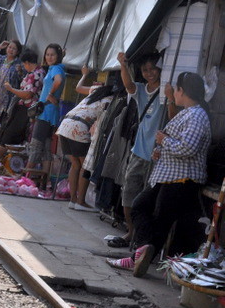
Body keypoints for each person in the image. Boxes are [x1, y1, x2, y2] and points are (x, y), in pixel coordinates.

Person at [108, 72, 210, 277]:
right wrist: (160, 150)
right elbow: (179, 145)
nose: (174, 93)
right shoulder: (187, 112)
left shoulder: (197, 116)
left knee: (159, 221)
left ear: (182, 91)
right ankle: (142, 251)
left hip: (180, 180)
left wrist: (164, 141)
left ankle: (138, 258)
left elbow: (188, 148)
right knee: (140, 206)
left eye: (176, 90)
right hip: (167, 177)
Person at [103, 52, 173, 248]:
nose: (149, 73)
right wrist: (123, 65)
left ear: (160, 70)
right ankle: (131, 232)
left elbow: (172, 114)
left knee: (147, 200)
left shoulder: (167, 91)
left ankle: (142, 239)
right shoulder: (141, 90)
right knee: (129, 194)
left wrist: (170, 97)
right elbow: (128, 85)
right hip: (139, 152)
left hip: (158, 156)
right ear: (141, 73)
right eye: (145, 70)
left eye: (153, 69)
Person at [56, 67, 115, 211]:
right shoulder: (111, 100)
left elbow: (78, 87)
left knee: (75, 165)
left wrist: (84, 75)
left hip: (65, 124)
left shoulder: (94, 92)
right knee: (85, 167)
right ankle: (81, 202)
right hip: (79, 128)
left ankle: (73, 200)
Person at [0, 48, 44, 162]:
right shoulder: (37, 72)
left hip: (26, 109)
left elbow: (27, 95)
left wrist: (11, 89)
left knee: (9, 135)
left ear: (27, 63)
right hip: (23, 109)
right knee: (10, 135)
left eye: (24, 65)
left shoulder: (35, 75)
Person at [26, 43, 66, 173]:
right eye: (47, 54)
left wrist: (50, 94)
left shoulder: (56, 69)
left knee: (36, 144)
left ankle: (26, 176)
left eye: (52, 55)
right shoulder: (56, 68)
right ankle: (44, 181)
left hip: (46, 113)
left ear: (58, 56)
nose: (49, 57)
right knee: (47, 148)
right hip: (51, 113)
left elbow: (58, 80)